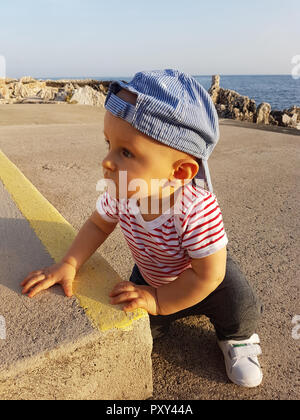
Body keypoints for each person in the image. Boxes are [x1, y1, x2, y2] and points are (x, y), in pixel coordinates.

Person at [21, 69, 263, 388]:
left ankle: (238, 340)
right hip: (152, 275)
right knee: (131, 319)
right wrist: (70, 263)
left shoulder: (195, 208)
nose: (107, 161)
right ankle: (158, 316)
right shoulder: (123, 190)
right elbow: (97, 224)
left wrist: (160, 301)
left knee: (240, 305)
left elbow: (209, 275)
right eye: (109, 144)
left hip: (205, 278)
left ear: (180, 171)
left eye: (126, 152)